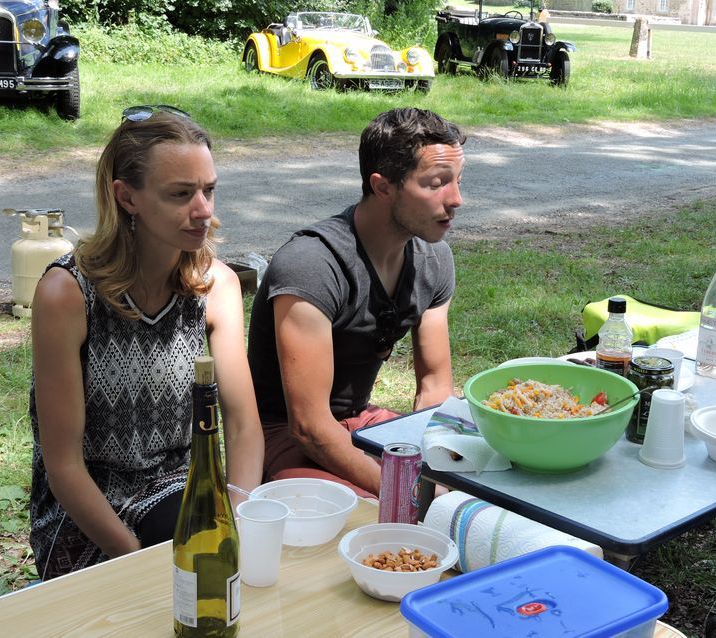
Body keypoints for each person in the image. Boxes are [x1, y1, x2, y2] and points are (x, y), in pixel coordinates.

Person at [29, 106, 264, 580]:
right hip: (88, 514)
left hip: (185, 493)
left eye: (209, 190)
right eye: (180, 194)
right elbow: (64, 467)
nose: (203, 211)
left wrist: (236, 517)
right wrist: (140, 559)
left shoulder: (215, 286)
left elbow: (243, 428)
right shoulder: (67, 294)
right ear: (126, 197)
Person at [247, 107, 465, 498]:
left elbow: (434, 387)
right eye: (436, 184)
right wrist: (404, 490)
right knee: (384, 516)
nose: (456, 200)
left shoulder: (434, 260)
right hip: (283, 435)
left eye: (458, 181)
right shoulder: (312, 264)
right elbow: (309, 427)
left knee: (472, 489)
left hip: (361, 423)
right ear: (382, 187)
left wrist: (444, 469)